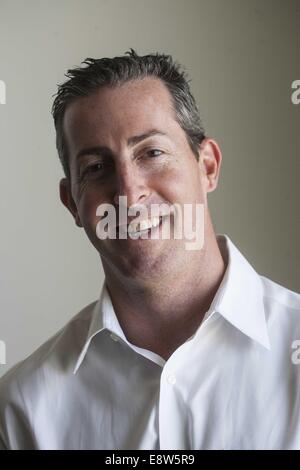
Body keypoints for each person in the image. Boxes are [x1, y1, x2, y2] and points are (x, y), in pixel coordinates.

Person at [0, 50, 299, 450]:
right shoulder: (23, 407)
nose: (128, 193)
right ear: (72, 202)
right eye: (96, 168)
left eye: (152, 153)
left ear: (207, 166)